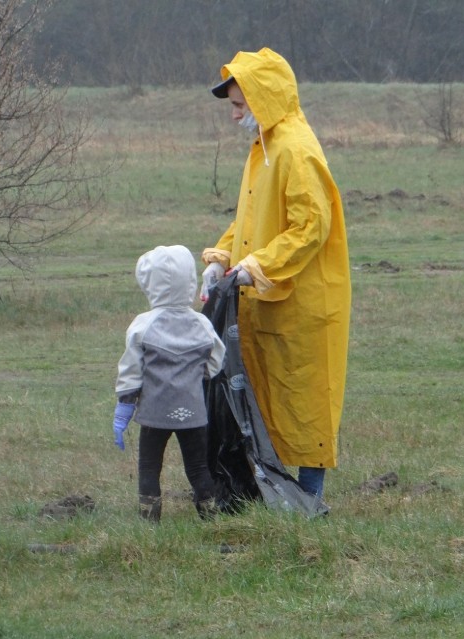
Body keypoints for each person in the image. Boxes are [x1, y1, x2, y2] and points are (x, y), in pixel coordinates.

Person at [201, 48, 351, 498]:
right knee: (270, 404)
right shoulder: (264, 148)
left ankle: (308, 500)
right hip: (269, 303)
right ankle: (274, 495)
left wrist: (256, 267)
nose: (234, 117)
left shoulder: (295, 151)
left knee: (303, 404)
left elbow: (309, 227)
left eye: (239, 105)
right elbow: (250, 221)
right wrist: (220, 258)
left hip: (302, 307)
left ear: (263, 98)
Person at [113, 245, 226, 521]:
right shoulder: (200, 323)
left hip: (154, 412)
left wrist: (125, 405)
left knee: (150, 467)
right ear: (188, 281)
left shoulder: (143, 325)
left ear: (150, 283)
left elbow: (131, 368)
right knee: (198, 467)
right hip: (193, 411)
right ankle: (210, 518)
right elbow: (216, 360)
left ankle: (149, 521)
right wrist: (197, 377)